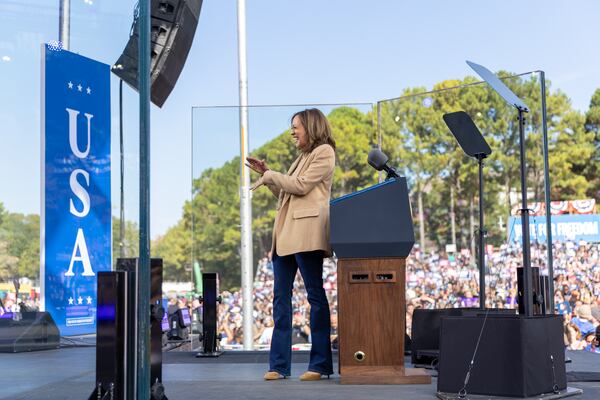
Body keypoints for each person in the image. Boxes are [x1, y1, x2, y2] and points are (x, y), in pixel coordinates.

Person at [246, 108, 335, 381]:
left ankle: (320, 365)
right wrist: (269, 175)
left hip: (307, 234)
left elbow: (301, 186)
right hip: (285, 237)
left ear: (311, 126)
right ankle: (279, 365)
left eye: (296, 127)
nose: (292, 132)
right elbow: (287, 194)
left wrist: (271, 175)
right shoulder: (302, 157)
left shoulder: (324, 152)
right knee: (280, 301)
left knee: (315, 298)